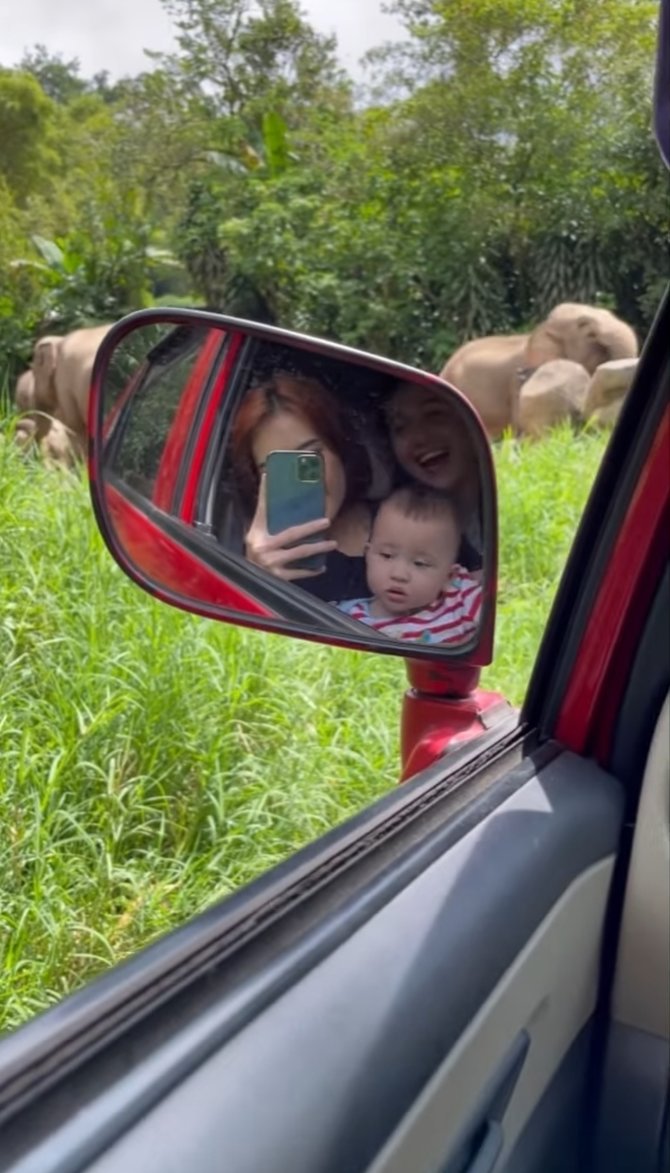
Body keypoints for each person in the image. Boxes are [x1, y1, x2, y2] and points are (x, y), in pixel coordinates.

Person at [230, 371, 373, 601]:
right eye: (276, 469)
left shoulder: (407, 519)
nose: (302, 479)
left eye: (311, 455)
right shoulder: (264, 557)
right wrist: (256, 581)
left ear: (339, 447)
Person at [337, 485, 482, 645]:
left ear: (448, 576)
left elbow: (505, 624)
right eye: (387, 555)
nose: (399, 574)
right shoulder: (348, 618)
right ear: (367, 555)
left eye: (420, 563)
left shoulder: (461, 598)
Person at [382, 381, 483, 561]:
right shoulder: (389, 525)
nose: (419, 437)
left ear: (472, 422)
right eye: (400, 427)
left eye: (434, 414)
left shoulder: (510, 505)